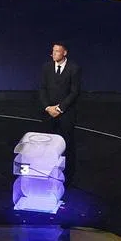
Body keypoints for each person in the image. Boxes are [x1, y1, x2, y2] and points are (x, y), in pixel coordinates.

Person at [39, 42, 80, 182]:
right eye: (53, 51)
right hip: (49, 113)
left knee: (67, 143)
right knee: (48, 141)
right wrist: (47, 107)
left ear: (64, 53)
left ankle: (68, 176)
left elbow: (74, 92)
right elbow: (43, 89)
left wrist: (59, 108)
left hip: (66, 113)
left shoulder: (74, 69)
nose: (54, 53)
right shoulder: (46, 67)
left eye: (57, 51)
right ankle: (47, 171)